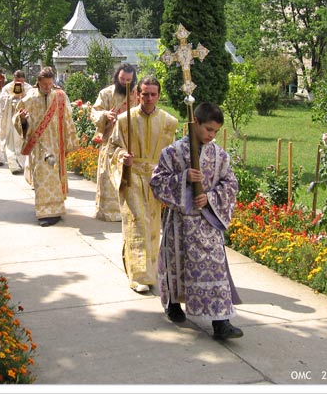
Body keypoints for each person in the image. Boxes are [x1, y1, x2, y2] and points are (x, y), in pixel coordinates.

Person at [150, 102, 243, 341]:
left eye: (215, 131)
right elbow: (157, 182)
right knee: (177, 265)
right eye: (208, 129)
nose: (212, 135)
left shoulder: (219, 155)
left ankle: (221, 322)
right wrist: (183, 179)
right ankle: (173, 304)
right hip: (179, 225)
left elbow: (230, 184)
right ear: (196, 123)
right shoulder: (172, 152)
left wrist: (210, 197)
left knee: (215, 269)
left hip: (207, 225)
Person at [107, 76, 178, 293]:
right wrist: (122, 158)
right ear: (138, 94)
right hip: (133, 176)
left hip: (156, 179)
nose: (148, 98)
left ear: (159, 95)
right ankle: (138, 276)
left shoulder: (168, 122)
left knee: (153, 226)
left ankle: (150, 272)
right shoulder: (124, 120)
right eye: (144, 94)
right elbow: (112, 149)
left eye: (153, 94)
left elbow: (172, 155)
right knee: (137, 222)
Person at [14, 67, 78, 227]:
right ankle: (45, 213)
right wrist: (22, 119)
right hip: (39, 146)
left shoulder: (60, 97)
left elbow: (67, 119)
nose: (48, 87)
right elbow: (19, 120)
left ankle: (56, 210)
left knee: (55, 178)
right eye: (45, 84)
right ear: (38, 82)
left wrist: (70, 142)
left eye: (50, 84)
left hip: (56, 145)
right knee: (42, 178)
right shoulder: (29, 99)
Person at [91, 63, 138, 222]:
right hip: (110, 140)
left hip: (129, 141)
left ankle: (127, 212)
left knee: (128, 176)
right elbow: (94, 112)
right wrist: (105, 115)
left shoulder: (137, 94)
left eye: (129, 80)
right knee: (108, 175)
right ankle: (108, 212)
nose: (125, 82)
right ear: (117, 76)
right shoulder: (106, 93)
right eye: (122, 79)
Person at [0, 70, 33, 174]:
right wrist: (12, 98)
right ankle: (14, 166)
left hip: (23, 120)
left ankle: (22, 164)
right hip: (11, 119)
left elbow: (32, 101)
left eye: (22, 81)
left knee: (22, 141)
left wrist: (22, 99)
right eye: (18, 81)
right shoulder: (7, 88)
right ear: (14, 79)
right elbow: (1, 100)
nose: (20, 83)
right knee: (11, 143)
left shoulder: (29, 88)